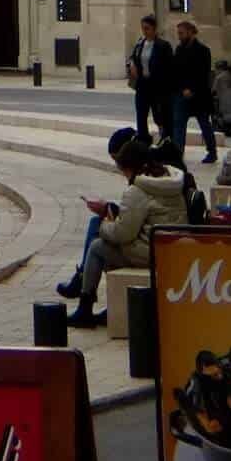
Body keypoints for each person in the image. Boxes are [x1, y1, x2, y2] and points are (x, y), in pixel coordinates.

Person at [65, 133, 191, 327]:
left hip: (150, 253)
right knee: (107, 250)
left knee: (97, 247)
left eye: (123, 170)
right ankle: (115, 306)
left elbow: (124, 233)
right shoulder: (169, 179)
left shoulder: (138, 190)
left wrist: (103, 224)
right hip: (171, 248)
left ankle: (85, 308)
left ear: (131, 168)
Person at [56, 127, 139, 297]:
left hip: (144, 247)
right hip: (147, 237)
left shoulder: (141, 183)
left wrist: (106, 218)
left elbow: (126, 230)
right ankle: (82, 280)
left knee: (97, 242)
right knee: (97, 225)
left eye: (118, 161)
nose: (118, 168)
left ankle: (84, 292)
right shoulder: (147, 177)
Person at [169, 17, 220, 163]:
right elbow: (176, 71)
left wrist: (192, 89)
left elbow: (203, 74)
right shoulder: (179, 49)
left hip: (199, 95)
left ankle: (212, 151)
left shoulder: (203, 50)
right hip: (181, 93)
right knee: (179, 125)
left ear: (191, 32)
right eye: (178, 33)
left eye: (182, 33)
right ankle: (178, 154)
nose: (179, 36)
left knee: (204, 124)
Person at [128, 14, 175, 138]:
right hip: (142, 84)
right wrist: (131, 64)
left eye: (147, 28)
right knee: (141, 115)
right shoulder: (140, 43)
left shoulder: (163, 46)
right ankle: (143, 140)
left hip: (157, 86)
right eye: (143, 28)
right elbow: (132, 57)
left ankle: (165, 139)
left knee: (159, 115)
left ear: (154, 29)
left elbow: (170, 67)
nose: (145, 31)